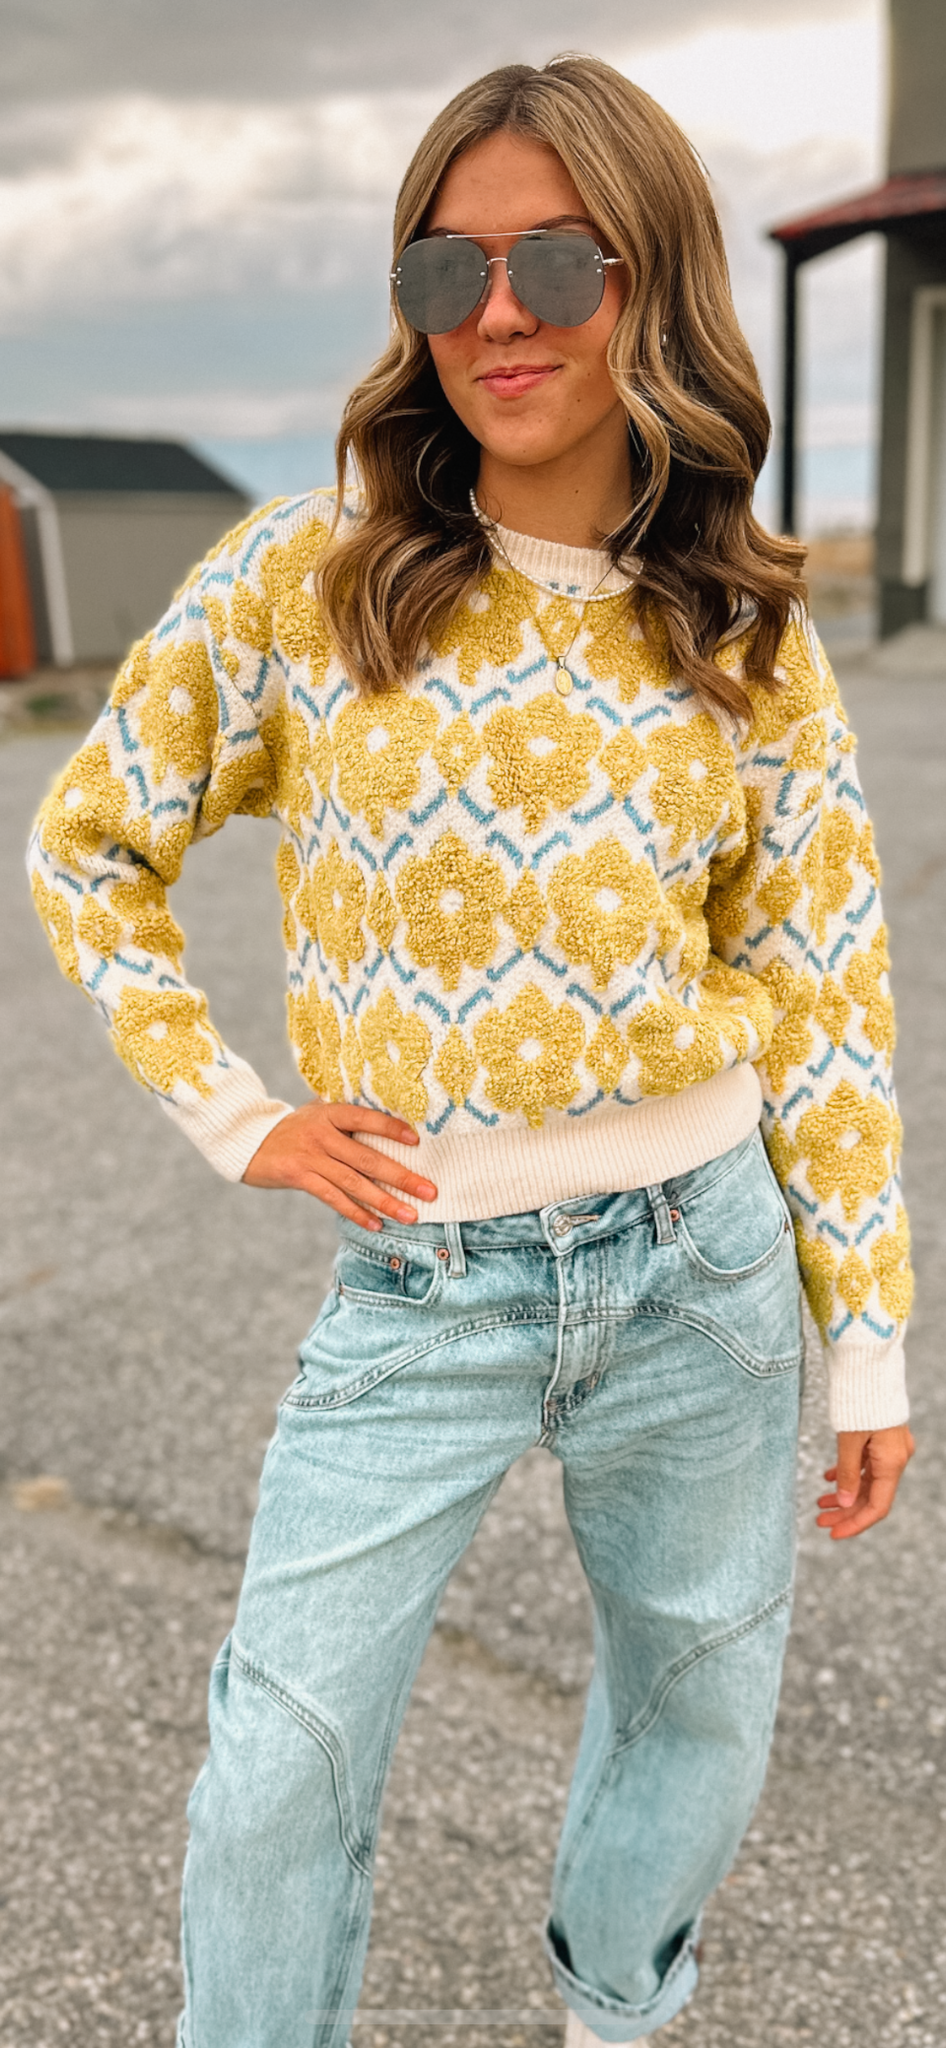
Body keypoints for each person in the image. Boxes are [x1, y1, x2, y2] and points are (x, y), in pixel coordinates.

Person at [28, 53, 915, 2048]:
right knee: (280, 1750)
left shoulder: (742, 630)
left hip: (701, 1264)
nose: (496, 314)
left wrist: (864, 1327)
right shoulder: (309, 577)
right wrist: (236, 1114)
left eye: (553, 263)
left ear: (650, 281)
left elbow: (820, 982)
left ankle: (615, 2010)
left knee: (700, 1700)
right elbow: (87, 843)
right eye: (446, 271)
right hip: (420, 1276)